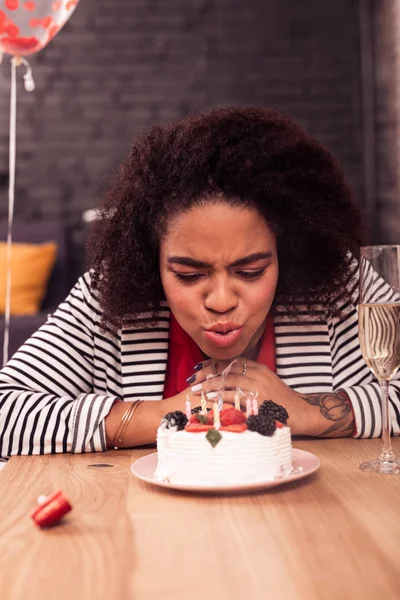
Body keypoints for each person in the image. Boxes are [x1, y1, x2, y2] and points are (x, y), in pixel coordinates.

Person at [0, 105, 399, 461]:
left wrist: (307, 410)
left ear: (286, 252)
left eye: (251, 271)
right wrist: (173, 413)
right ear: (150, 260)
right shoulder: (106, 298)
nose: (222, 300)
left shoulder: (339, 287)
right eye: (189, 275)